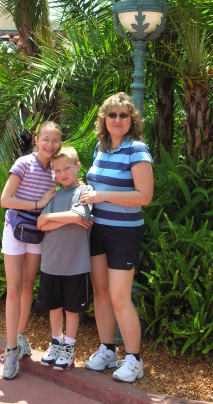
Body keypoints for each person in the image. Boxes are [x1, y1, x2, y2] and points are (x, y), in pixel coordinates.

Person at [79, 92, 153, 383]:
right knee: (101, 293)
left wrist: (102, 195)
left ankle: (134, 359)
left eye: (124, 115)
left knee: (120, 296)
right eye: (113, 115)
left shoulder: (138, 150)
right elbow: (97, 184)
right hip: (98, 229)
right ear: (104, 120)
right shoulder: (101, 148)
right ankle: (108, 350)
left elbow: (144, 196)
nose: (118, 120)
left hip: (124, 232)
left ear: (131, 120)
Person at [0, 121, 62, 380]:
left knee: (27, 286)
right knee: (14, 288)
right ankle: (11, 349)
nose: (49, 145)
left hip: (36, 233)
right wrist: (38, 202)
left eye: (55, 140)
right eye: (45, 139)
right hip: (15, 230)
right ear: (36, 140)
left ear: (60, 143)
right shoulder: (23, 163)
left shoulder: (54, 171)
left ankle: (20, 337)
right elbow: (5, 200)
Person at [36, 146, 93, 371]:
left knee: (71, 309)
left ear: (77, 167)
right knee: (54, 306)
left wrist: (51, 218)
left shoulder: (85, 191)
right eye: (56, 171)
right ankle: (56, 342)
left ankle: (69, 347)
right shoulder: (54, 194)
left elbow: (79, 214)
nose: (61, 174)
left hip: (75, 264)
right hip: (51, 262)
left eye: (66, 169)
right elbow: (41, 223)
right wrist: (69, 218)